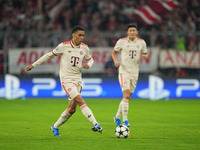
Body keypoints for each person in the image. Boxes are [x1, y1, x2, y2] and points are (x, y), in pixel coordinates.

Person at [24, 25, 103, 136]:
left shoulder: (84, 47)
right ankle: (95, 124)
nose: (82, 38)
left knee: (72, 109)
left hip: (78, 80)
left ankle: (55, 127)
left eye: (83, 36)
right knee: (80, 100)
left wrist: (88, 65)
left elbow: (91, 60)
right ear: (73, 35)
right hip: (66, 79)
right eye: (80, 35)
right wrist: (33, 65)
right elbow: (48, 55)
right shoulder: (64, 46)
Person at [112, 23, 148, 127]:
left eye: (134, 30)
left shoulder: (141, 43)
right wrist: (115, 61)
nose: (132, 32)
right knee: (126, 95)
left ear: (137, 32)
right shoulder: (121, 41)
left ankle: (117, 117)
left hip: (135, 73)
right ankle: (125, 121)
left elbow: (144, 53)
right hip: (124, 71)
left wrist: (145, 56)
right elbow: (114, 52)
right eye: (130, 30)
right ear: (127, 32)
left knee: (127, 98)